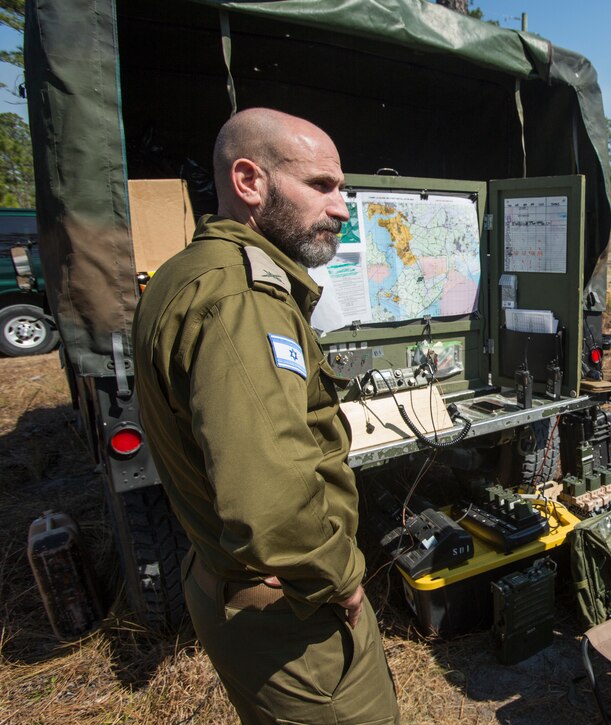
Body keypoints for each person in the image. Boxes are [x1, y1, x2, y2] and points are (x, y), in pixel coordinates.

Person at [133, 108, 400, 725]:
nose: (341, 208)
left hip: (229, 580)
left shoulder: (188, 272)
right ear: (250, 181)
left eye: (342, 189)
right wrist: (341, 578)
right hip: (288, 609)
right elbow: (271, 499)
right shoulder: (244, 301)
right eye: (322, 186)